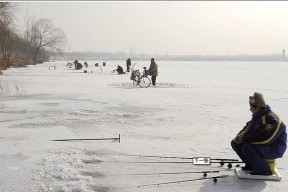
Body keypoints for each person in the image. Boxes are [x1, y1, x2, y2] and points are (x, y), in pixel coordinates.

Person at [231, 92, 287, 175]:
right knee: (235, 143)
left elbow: (267, 139)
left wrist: (244, 139)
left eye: (251, 107)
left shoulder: (271, 119)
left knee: (247, 147)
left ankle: (264, 170)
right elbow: (247, 128)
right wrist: (239, 137)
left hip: (274, 148)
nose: (250, 109)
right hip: (265, 145)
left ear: (257, 108)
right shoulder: (258, 117)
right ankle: (252, 165)